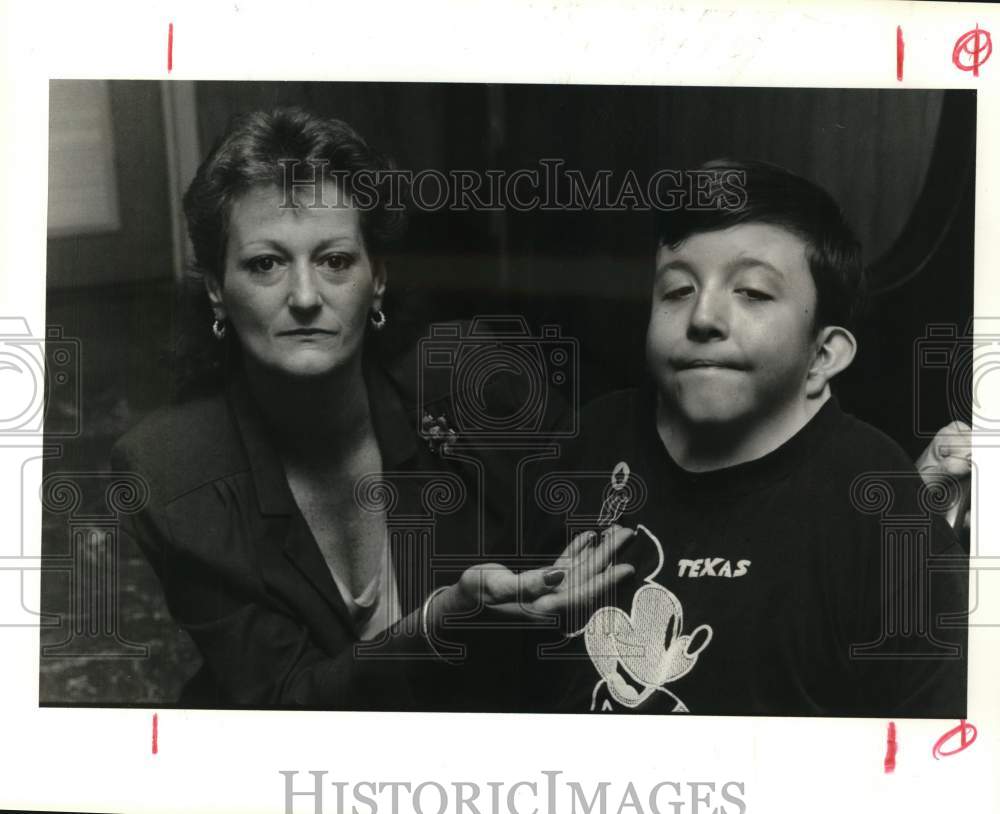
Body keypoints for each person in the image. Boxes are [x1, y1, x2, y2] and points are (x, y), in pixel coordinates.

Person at [112, 108, 626, 709]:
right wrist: (440, 620)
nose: (305, 298)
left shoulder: (482, 386)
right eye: (265, 264)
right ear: (216, 291)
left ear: (376, 280)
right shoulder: (172, 475)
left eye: (334, 261)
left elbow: (611, 512)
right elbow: (285, 703)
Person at [509, 159, 970, 717]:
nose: (703, 317)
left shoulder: (882, 506)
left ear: (823, 355)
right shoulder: (594, 440)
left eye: (752, 292)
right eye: (677, 290)